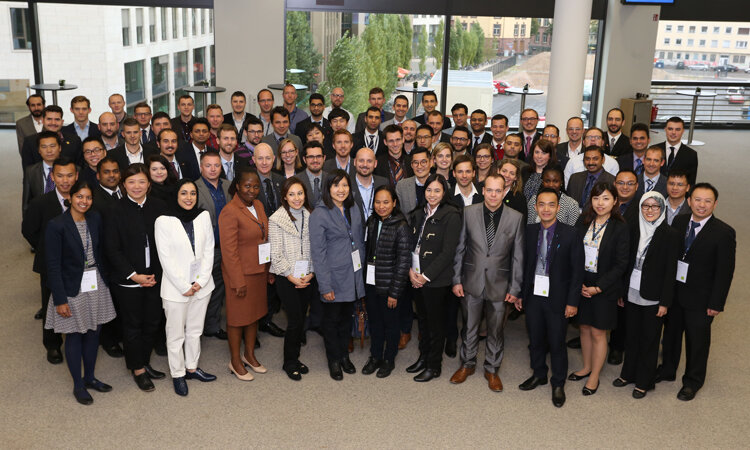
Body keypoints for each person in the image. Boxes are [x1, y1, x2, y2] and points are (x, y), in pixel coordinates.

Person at [658, 183, 735, 401]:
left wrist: (716, 303)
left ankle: (692, 381)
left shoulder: (724, 233)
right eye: (697, 200)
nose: (702, 205)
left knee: (697, 341)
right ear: (689, 201)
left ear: (715, 204)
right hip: (675, 293)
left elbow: (724, 272)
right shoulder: (680, 222)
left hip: (701, 299)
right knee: (671, 335)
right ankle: (667, 369)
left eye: (707, 201)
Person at [44, 180, 116, 405]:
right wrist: (60, 299)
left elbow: (101, 251)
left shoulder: (95, 219)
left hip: (95, 282)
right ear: (70, 197)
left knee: (94, 332)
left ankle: (90, 377)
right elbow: (52, 266)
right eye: (79, 197)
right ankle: (78, 385)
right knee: (75, 334)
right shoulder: (57, 225)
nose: (84, 201)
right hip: (71, 287)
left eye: (88, 197)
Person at [450, 173, 524, 392]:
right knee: (469, 327)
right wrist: (456, 279)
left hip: (500, 285)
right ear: (483, 191)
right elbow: (460, 249)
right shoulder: (469, 212)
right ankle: (467, 364)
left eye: (498, 191)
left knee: (496, 330)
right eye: (489, 190)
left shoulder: (516, 218)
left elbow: (518, 256)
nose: (493, 195)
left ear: (504, 192)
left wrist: (515, 287)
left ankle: (492, 369)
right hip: (471, 281)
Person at [518, 187, 584, 407]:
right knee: (535, 339)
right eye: (542, 204)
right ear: (536, 207)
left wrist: (572, 302)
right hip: (534, 294)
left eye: (551, 204)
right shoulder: (529, 231)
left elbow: (577, 271)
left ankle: (558, 383)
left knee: (557, 342)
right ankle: (539, 374)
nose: (546, 209)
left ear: (558, 207)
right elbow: (524, 265)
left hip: (558, 297)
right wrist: (521, 294)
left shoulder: (571, 233)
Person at [105, 163, 168, 392]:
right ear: (124, 185)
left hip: (155, 277)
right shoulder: (115, 210)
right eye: (131, 182)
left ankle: (144, 361)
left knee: (152, 322)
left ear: (149, 184)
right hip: (128, 279)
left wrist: (156, 275)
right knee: (133, 325)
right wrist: (134, 276)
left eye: (142, 181)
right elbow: (112, 249)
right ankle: (138, 369)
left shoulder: (159, 207)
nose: (137, 186)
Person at [612, 191, 679, 399]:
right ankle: (628, 374)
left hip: (654, 296)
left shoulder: (670, 234)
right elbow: (625, 263)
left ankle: (644, 381)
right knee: (631, 336)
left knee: (649, 340)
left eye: (655, 206)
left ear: (662, 208)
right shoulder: (633, 229)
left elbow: (671, 272)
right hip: (631, 291)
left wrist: (665, 302)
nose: (650, 210)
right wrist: (622, 291)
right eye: (645, 206)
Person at [154, 179, 217, 396]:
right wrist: (184, 285)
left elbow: (209, 250)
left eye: (192, 193)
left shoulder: (203, 216)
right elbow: (165, 258)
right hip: (175, 289)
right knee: (175, 335)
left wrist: (201, 280)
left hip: (202, 286)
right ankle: (178, 374)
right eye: (184, 193)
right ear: (176, 195)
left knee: (195, 331)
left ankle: (191, 367)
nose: (189, 198)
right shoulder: (163, 221)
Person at [569, 182, 629, 396]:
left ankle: (594, 375)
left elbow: (621, 264)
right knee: (584, 327)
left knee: (598, 331)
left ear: (615, 201)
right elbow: (574, 252)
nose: (600, 203)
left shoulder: (620, 227)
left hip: (604, 287)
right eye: (596, 198)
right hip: (582, 284)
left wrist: (598, 287)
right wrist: (578, 283)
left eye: (605, 198)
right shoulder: (583, 221)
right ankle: (586, 367)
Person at [309, 170, 366, 380]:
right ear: (328, 188)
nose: (341, 190)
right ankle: (333, 359)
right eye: (336, 185)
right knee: (331, 321)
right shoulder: (319, 214)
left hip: (353, 275)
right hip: (333, 278)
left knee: (346, 319)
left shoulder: (353, 208)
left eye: (344, 185)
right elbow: (318, 253)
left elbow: (359, 241)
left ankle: (344, 356)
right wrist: (325, 286)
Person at [406, 174, 461, 382]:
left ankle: (434, 365)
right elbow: (411, 244)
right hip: (415, 275)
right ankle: (423, 357)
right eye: (429, 190)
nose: (432, 194)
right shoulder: (419, 212)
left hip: (435, 279)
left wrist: (425, 276)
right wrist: (411, 272)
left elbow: (448, 252)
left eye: (437, 190)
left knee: (436, 325)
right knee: (422, 321)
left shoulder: (452, 215)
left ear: (444, 192)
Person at [22, 157, 78, 362]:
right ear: (52, 177)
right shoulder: (40, 203)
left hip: (78, 262)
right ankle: (52, 344)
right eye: (60, 176)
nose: (65, 181)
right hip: (51, 263)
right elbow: (29, 230)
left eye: (70, 175)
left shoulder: (83, 199)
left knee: (78, 298)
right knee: (50, 303)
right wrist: (48, 249)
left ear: (76, 176)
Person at [219, 168, 271, 381]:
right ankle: (235, 361)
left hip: (259, 271)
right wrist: (237, 280)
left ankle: (249, 355)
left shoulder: (258, 205)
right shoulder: (230, 211)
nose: (252, 190)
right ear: (238, 186)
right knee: (237, 318)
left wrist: (268, 269)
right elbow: (229, 252)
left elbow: (263, 238)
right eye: (247, 186)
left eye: (256, 186)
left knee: (254, 315)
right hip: (240, 275)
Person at [269, 177, 316, 380]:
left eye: (300, 193)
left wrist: (311, 272)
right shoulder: (276, 219)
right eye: (292, 194)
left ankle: (295, 357)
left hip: (307, 276)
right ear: (285, 197)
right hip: (286, 277)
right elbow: (275, 254)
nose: (296, 198)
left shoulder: (311, 216)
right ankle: (289, 362)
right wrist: (291, 276)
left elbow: (316, 248)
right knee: (295, 321)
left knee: (301, 319)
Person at [362, 186, 412, 378]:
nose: (381, 206)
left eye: (386, 202)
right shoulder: (372, 222)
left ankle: (389, 359)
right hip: (372, 283)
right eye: (377, 202)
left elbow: (403, 262)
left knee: (391, 325)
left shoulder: (401, 226)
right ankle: (375, 356)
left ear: (394, 203)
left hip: (390, 287)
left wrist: (394, 292)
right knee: (375, 323)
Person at [195, 152, 231, 341]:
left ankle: (212, 325)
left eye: (216, 165)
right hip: (207, 249)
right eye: (208, 165)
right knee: (203, 288)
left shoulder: (228, 186)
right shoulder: (194, 188)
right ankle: (195, 328)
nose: (213, 169)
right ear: (201, 167)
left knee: (219, 288)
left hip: (228, 247)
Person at [22, 131, 61, 217]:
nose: (49, 151)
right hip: (40, 217)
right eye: (44, 147)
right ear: (39, 150)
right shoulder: (31, 171)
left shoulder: (73, 169)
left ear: (60, 148)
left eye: (52, 146)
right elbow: (26, 203)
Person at [657, 116, 698, 186]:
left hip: (678, 191)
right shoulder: (654, 149)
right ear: (665, 129)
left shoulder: (691, 155)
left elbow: (691, 182)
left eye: (678, 129)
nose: (673, 132)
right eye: (670, 129)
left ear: (683, 131)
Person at [352, 147, 388, 224]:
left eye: (369, 161)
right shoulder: (347, 185)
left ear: (375, 163)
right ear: (355, 162)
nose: (365, 164)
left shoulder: (383, 183)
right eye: (361, 160)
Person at [395, 147, 433, 216]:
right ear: (411, 165)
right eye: (416, 162)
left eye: (423, 162)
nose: (419, 166)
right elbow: (399, 214)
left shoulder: (441, 184)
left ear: (431, 163)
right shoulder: (402, 186)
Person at [375, 124, 413, 188]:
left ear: (403, 139)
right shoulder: (377, 164)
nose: (395, 144)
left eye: (398, 140)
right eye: (391, 141)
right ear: (385, 142)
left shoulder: (411, 162)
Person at [296, 140, 329, 207]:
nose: (315, 160)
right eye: (311, 157)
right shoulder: (296, 180)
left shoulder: (331, 179)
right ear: (304, 159)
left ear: (324, 158)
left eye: (319, 156)